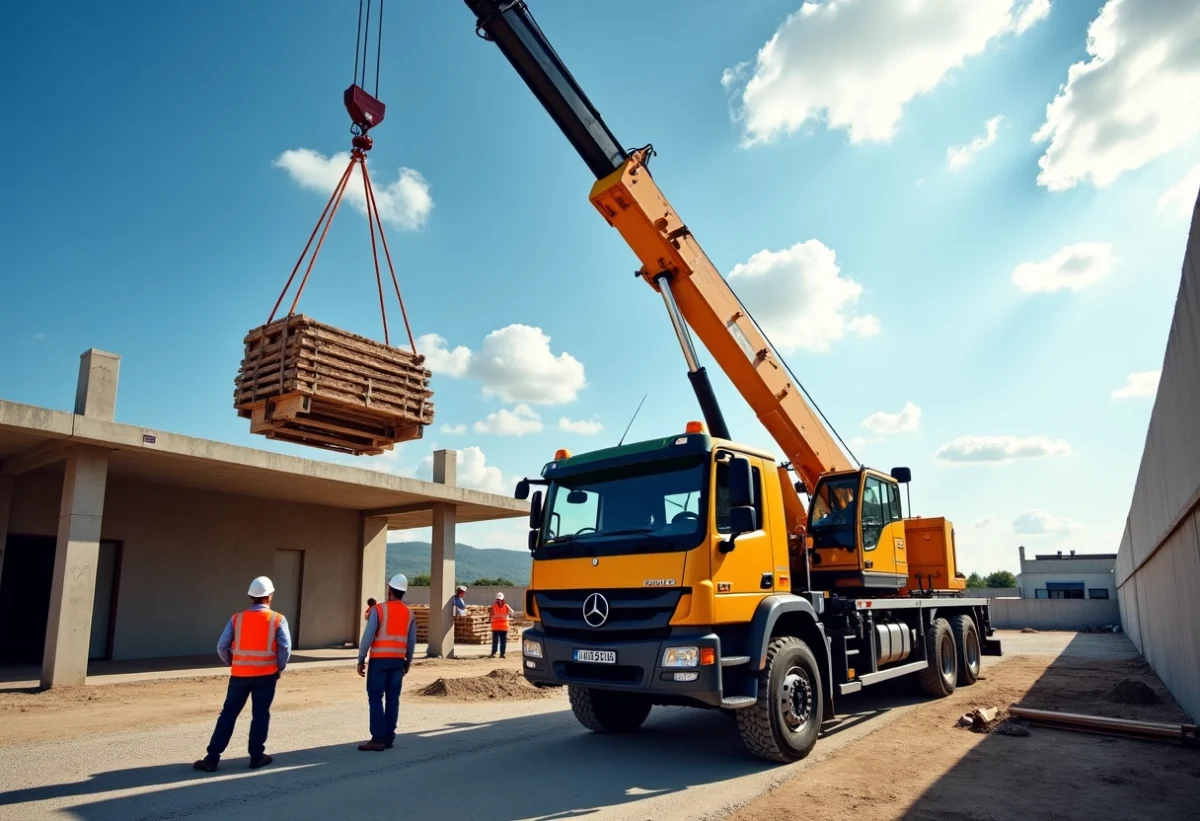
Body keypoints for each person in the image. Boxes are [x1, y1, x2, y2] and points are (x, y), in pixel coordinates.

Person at [193, 575, 290, 772]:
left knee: (228, 714)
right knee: (260, 714)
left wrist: (233, 662)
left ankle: (212, 758)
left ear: (250, 596)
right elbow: (285, 648)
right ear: (270, 596)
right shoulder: (277, 619)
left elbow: (222, 646)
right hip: (266, 675)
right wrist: (278, 667)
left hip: (239, 675)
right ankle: (256, 756)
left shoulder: (237, 619)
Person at [356, 573, 417, 752]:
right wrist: (408, 661)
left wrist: (361, 658)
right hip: (398, 661)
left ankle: (377, 739)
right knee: (393, 699)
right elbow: (412, 641)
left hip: (379, 661)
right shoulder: (409, 613)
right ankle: (388, 738)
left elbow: (368, 636)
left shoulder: (379, 610)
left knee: (375, 697)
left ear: (389, 590)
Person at [489, 592, 514, 659]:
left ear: (502, 599)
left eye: (499, 599)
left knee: (502, 641)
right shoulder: (494, 605)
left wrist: (508, 615)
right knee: (495, 640)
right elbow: (491, 614)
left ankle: (501, 654)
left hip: (503, 626)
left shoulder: (506, 606)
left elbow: (512, 612)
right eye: (497, 599)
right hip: (496, 626)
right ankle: (494, 653)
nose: (498, 601)